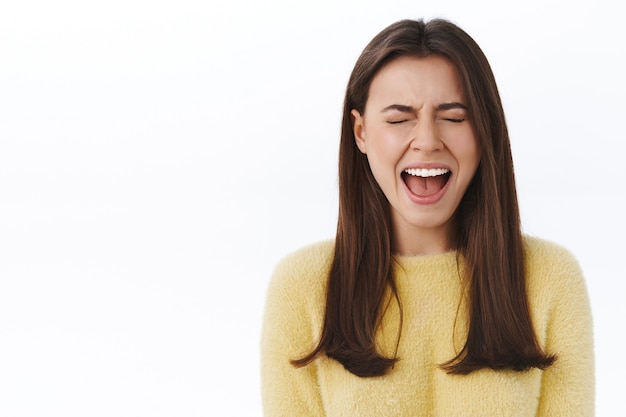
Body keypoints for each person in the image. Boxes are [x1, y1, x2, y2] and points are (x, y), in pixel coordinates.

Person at [260, 18, 594, 416]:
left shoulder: (550, 279)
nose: (427, 141)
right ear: (361, 132)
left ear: (485, 129)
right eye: (399, 119)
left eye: (453, 117)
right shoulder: (302, 288)